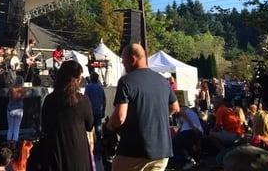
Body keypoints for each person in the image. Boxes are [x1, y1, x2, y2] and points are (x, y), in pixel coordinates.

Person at [108, 43, 180, 171]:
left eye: (123, 61)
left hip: (134, 150)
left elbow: (119, 118)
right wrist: (155, 117)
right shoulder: (163, 81)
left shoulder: (126, 81)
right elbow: (175, 107)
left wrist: (110, 126)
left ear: (132, 60)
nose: (123, 64)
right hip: (162, 151)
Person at [39, 60, 94, 170]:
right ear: (77, 80)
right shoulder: (83, 101)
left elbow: (44, 126)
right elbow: (89, 125)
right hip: (78, 154)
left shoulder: (50, 100)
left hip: (56, 154)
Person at [173, 106, 203, 170]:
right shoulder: (190, 113)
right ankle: (195, 160)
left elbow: (184, 115)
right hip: (196, 131)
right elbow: (181, 127)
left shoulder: (182, 109)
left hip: (192, 130)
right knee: (186, 144)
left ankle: (188, 160)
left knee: (175, 143)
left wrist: (193, 127)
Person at [84, 72, 106, 140]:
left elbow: (85, 99)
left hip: (90, 112)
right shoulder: (100, 87)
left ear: (91, 78)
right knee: (98, 131)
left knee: (88, 131)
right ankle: (99, 147)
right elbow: (104, 99)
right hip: (99, 112)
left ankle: (91, 147)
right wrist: (103, 111)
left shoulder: (88, 87)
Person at [7, 76, 25, 145]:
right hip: (19, 110)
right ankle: (14, 145)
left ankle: (8, 145)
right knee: (17, 128)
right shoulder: (22, 90)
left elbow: (7, 95)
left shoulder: (11, 89)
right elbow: (23, 97)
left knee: (10, 128)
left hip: (11, 110)